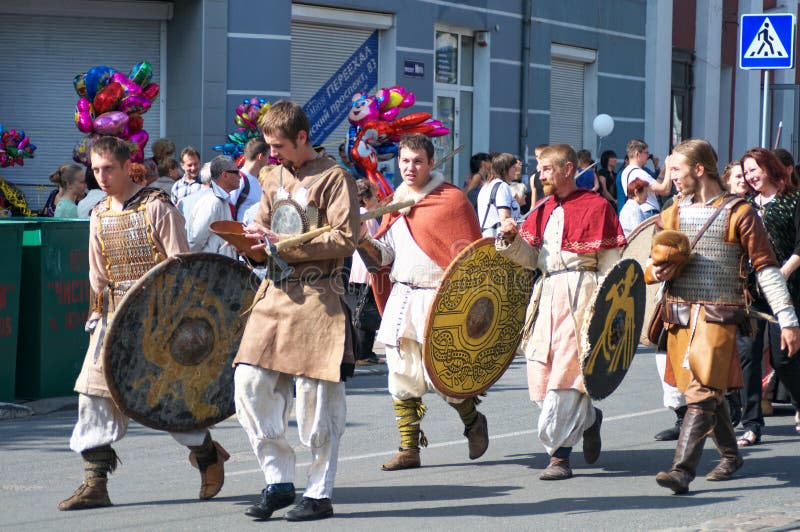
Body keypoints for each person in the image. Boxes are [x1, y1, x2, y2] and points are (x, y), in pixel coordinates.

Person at [57, 136, 229, 511]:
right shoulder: (99, 214)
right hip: (113, 318)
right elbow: (97, 274)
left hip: (158, 318)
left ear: (125, 165)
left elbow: (180, 265)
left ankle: (207, 456)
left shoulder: (157, 207)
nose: (101, 177)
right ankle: (95, 482)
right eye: (95, 169)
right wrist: (96, 317)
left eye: (108, 169)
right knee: (92, 396)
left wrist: (178, 323)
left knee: (165, 400)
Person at [647, 139, 800, 495]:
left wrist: (788, 318)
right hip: (680, 316)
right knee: (705, 393)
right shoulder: (671, 212)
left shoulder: (740, 213)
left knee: (700, 393)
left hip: (720, 315)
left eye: (676, 171)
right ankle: (730, 455)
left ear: (698, 170)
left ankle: (682, 470)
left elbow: (766, 269)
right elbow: (653, 266)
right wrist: (661, 270)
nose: (670, 179)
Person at [232, 100, 359, 522]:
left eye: (279, 144)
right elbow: (265, 229)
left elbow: (345, 239)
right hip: (275, 294)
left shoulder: (336, 177)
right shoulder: (272, 175)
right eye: (268, 145)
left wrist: (287, 243)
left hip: (320, 297)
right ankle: (279, 480)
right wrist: (253, 241)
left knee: (316, 401)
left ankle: (319, 493)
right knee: (248, 383)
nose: (272, 153)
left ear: (302, 137)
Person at [356, 133, 489, 472]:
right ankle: (408, 448)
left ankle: (473, 421)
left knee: (443, 376)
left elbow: (470, 258)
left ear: (431, 162)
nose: (410, 167)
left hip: (441, 299)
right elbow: (385, 257)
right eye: (404, 161)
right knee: (401, 376)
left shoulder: (452, 201)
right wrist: (362, 242)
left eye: (417, 161)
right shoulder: (396, 201)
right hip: (404, 297)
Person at [495, 143, 625, 480]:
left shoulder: (597, 207)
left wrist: (604, 310)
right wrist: (511, 240)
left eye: (547, 169)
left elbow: (612, 265)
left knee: (566, 378)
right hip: (546, 294)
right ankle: (591, 419)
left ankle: (559, 457)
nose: (540, 175)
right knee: (541, 377)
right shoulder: (541, 209)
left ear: (568, 169)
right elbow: (529, 260)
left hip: (581, 296)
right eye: (539, 170)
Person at [737, 147, 800, 447]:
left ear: (769, 167)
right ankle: (751, 424)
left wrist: (782, 272)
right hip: (751, 293)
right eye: (747, 172)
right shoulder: (746, 206)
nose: (751, 176)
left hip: (785, 289)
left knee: (783, 358)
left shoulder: (793, 200)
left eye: (755, 169)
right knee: (748, 355)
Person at [349, 180, 382, 365]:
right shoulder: (366, 216)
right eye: (375, 194)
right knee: (366, 311)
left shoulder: (356, 214)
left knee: (359, 309)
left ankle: (362, 351)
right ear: (366, 198)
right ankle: (363, 352)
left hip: (355, 268)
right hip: (365, 267)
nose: (378, 197)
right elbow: (371, 244)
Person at [184, 155, 241, 257]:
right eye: (237, 172)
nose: (240, 176)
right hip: (210, 268)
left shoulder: (221, 199)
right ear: (225, 175)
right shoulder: (213, 202)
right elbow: (196, 240)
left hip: (218, 266)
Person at [618, 139, 672, 215]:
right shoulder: (639, 173)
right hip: (648, 213)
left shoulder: (625, 172)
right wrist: (669, 167)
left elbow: (655, 191)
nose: (648, 156)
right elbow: (665, 190)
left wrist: (663, 172)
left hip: (640, 212)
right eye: (646, 153)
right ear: (637, 154)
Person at [476, 153, 521, 237]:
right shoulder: (502, 186)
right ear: (505, 169)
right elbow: (505, 219)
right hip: (500, 239)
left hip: (487, 237)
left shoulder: (486, 186)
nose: (516, 170)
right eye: (513, 167)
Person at [230, 138, 268, 221]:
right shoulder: (239, 179)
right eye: (268, 156)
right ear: (260, 157)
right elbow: (228, 209)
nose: (268, 161)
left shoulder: (258, 180)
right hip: (239, 232)